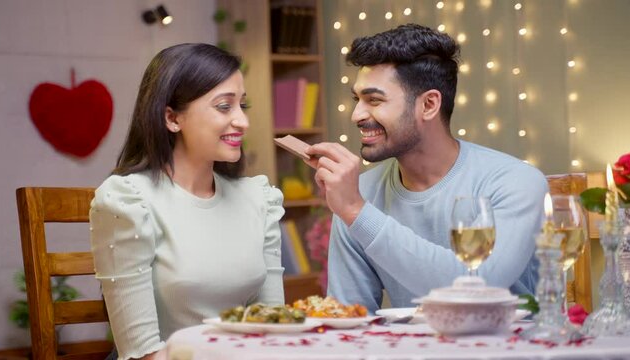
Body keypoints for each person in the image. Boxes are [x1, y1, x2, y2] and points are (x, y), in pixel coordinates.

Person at [305, 24, 548, 312]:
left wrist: (358, 213)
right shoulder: (360, 193)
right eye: (356, 99)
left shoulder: (515, 181)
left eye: (374, 100)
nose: (356, 114)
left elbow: (481, 286)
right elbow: (349, 316)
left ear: (429, 104)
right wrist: (354, 209)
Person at [90, 43, 285, 360]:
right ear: (172, 118)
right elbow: (142, 352)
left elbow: (273, 328)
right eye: (224, 107)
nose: (243, 122)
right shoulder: (128, 201)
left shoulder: (258, 198)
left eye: (242, 107)